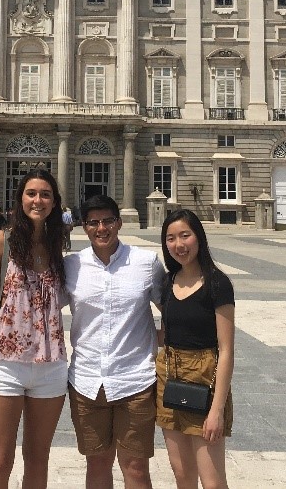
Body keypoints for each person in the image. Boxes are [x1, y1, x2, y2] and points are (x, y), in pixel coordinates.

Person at [0, 168, 69, 489]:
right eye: (31, 193)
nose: (37, 200)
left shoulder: (59, 246)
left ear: (55, 202)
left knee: (38, 458)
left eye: (45, 194)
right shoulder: (1, 242)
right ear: (20, 200)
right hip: (6, 365)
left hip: (51, 367)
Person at [63, 195, 165, 489]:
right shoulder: (72, 266)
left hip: (135, 381)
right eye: (93, 222)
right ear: (84, 227)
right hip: (87, 382)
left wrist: (159, 339)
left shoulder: (146, 263)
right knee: (97, 464)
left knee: (135, 468)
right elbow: (41, 307)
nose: (101, 228)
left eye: (107, 221)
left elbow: (173, 310)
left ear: (118, 223)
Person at [157, 209, 235, 489]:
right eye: (170, 238)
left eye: (185, 236)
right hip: (170, 378)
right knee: (183, 476)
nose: (179, 245)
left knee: (212, 482)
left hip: (205, 380)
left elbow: (226, 351)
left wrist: (217, 410)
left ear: (198, 237)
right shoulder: (167, 282)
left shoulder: (217, 283)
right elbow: (169, 334)